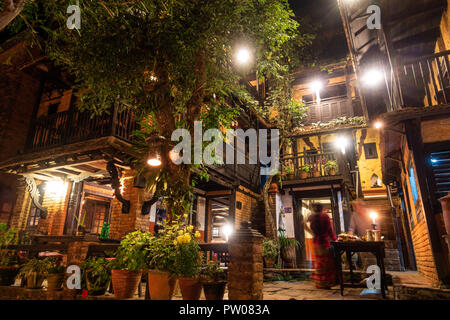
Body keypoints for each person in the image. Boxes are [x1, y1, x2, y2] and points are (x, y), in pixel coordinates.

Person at [304, 203, 337, 289]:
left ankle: (320, 283)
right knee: (326, 263)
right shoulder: (325, 216)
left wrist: (312, 233)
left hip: (315, 243)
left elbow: (303, 223)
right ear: (322, 208)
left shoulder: (312, 217)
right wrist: (334, 238)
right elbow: (330, 230)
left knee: (319, 263)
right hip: (324, 243)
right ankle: (326, 283)